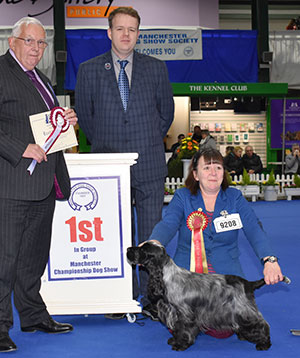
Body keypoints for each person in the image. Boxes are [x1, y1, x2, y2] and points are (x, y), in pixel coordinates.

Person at [75, 7, 174, 320]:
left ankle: (152, 300)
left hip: (148, 162)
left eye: (132, 29)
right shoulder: (89, 70)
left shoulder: (156, 68)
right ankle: (120, 296)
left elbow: (166, 113)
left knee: (149, 234)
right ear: (109, 32)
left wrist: (143, 141)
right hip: (107, 164)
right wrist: (107, 147)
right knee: (116, 233)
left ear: (138, 33)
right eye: (120, 29)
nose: (126, 35)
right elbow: (86, 118)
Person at [0, 17, 78, 352]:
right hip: (11, 184)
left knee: (33, 259)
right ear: (12, 42)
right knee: (4, 262)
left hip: (44, 185)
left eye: (41, 43)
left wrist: (66, 120)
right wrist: (20, 148)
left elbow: (47, 125)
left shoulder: (41, 79)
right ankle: (0, 326)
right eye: (29, 41)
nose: (36, 48)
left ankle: (32, 315)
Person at [147, 148, 283, 331]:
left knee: (222, 331)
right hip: (187, 281)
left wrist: (270, 259)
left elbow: (253, 229)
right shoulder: (183, 197)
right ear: (195, 174)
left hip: (224, 280)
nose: (213, 173)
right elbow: (168, 223)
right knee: (180, 327)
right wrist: (155, 242)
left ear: (223, 172)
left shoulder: (234, 197)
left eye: (218, 167)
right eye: (207, 168)